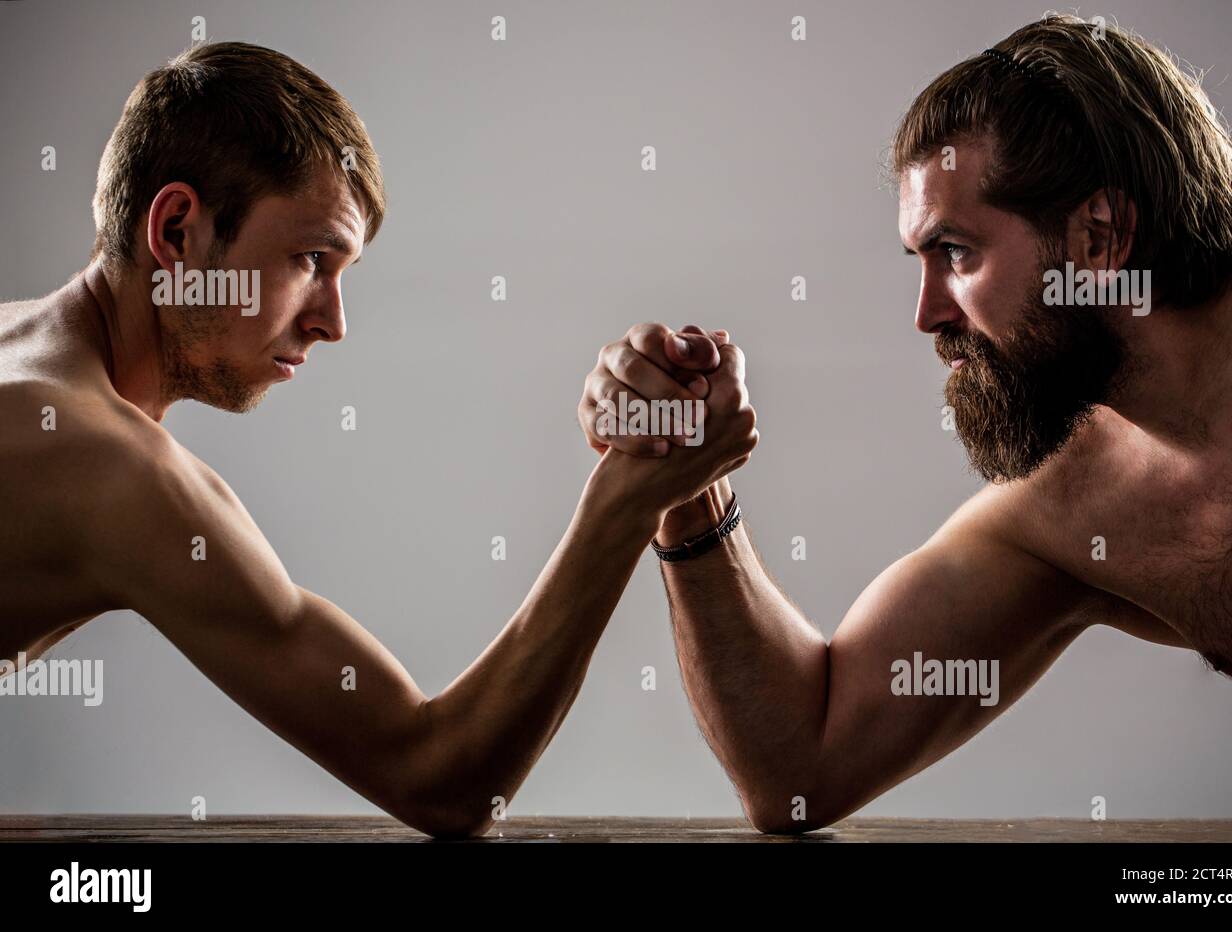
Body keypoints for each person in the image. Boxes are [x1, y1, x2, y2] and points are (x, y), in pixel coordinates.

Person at [0, 41, 758, 837]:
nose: (332, 321)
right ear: (179, 231)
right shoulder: (108, 469)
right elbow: (440, 777)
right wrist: (624, 503)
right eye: (309, 259)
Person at [578, 14, 1232, 834]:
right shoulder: (1065, 511)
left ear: (1099, 237)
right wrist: (688, 481)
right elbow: (801, 767)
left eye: (955, 252)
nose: (926, 316)